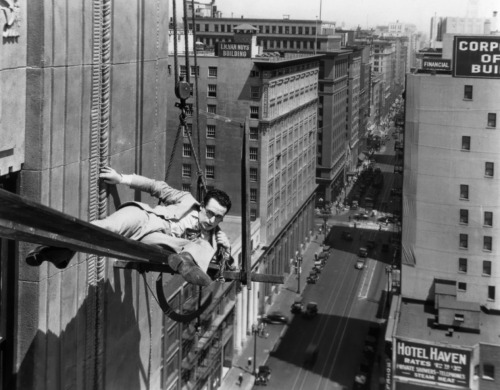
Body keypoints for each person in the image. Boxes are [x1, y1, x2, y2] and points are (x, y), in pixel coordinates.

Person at [26, 166, 232, 287]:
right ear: (203, 205)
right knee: (104, 227)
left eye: (218, 217)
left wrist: (227, 250)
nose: (212, 220)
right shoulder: (187, 200)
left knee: (203, 247)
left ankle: (186, 261)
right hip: (144, 218)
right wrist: (121, 178)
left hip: (159, 243)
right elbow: (155, 186)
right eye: (210, 213)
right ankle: (57, 250)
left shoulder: (214, 240)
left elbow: (227, 270)